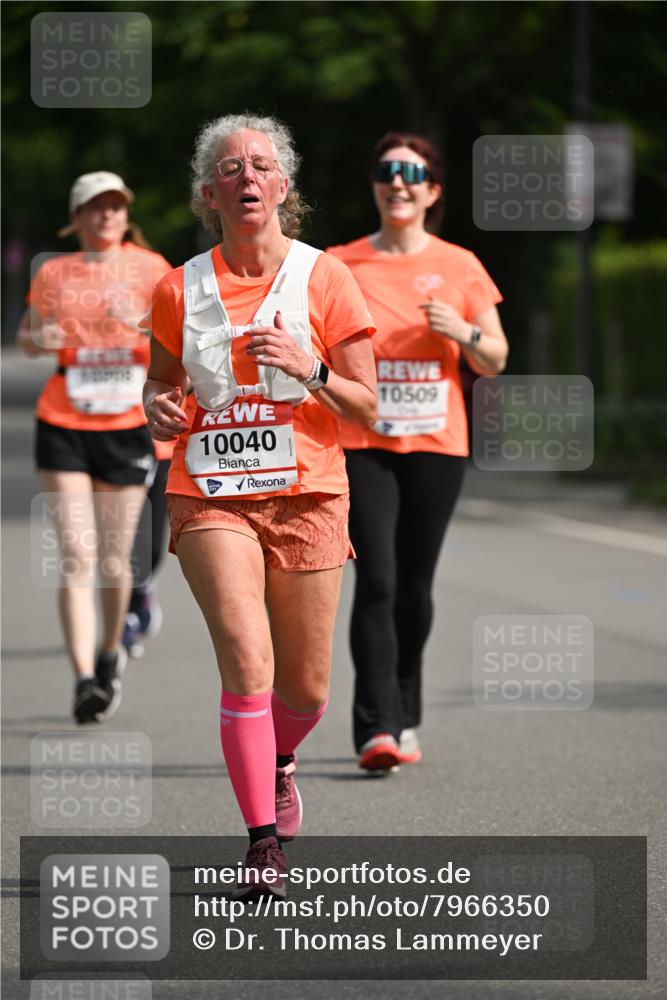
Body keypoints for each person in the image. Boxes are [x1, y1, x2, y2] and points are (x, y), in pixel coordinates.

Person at [143, 113, 376, 895]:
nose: (247, 176)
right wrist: (159, 408)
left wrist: (310, 368)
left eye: (261, 165)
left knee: (305, 689)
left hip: (308, 491)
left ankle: (278, 758)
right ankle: (262, 844)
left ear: (284, 187)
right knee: (248, 660)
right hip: (210, 491)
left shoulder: (326, 278)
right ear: (208, 192)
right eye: (230, 167)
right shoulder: (179, 286)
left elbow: (366, 408)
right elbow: (160, 386)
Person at [328, 132, 509, 772]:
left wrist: (461, 330)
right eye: (386, 171)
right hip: (362, 441)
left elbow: (495, 358)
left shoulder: (459, 265)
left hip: (437, 440)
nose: (397, 182)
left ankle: (406, 709)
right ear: (375, 185)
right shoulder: (339, 263)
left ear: (432, 191)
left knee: (415, 588)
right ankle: (376, 727)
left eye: (412, 173)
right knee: (376, 579)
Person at [17, 171, 172, 723]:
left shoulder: (152, 269)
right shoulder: (54, 271)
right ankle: (83, 678)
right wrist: (42, 338)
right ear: (77, 216)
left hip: (128, 424)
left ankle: (110, 656)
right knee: (77, 555)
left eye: (115, 206)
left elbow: (178, 335)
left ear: (126, 216)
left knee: (114, 558)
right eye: (95, 207)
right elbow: (27, 336)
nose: (106, 215)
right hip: (63, 420)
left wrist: (147, 326)